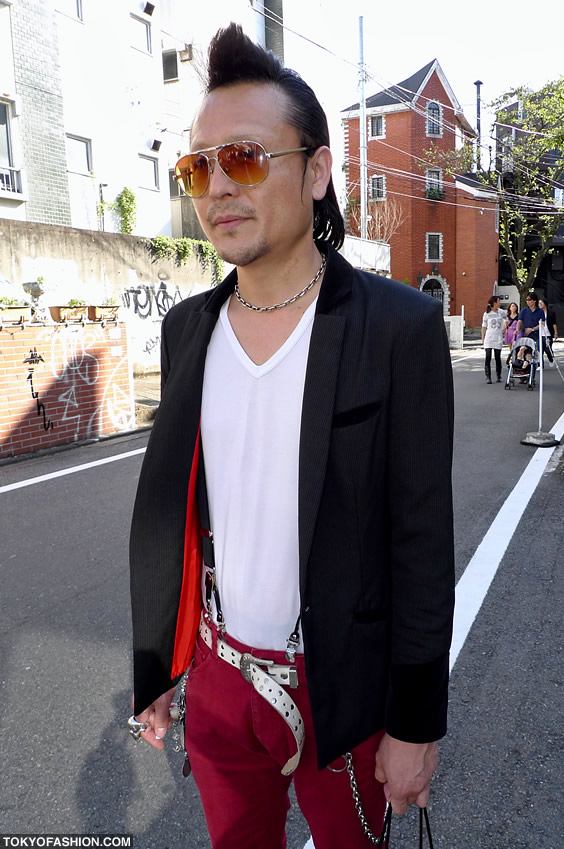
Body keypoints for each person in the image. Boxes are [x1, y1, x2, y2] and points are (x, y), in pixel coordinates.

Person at [129, 24, 454, 849]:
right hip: (220, 672)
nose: (215, 188)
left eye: (242, 158)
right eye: (197, 167)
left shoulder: (397, 327)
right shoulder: (187, 330)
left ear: (315, 171)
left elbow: (421, 539)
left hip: (343, 689)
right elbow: (180, 510)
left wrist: (415, 725)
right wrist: (159, 667)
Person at [481, 295, 506, 383]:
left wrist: (504, 328)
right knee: (488, 356)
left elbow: (506, 320)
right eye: (498, 301)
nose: (500, 303)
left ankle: (498, 375)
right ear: (494, 302)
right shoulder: (486, 313)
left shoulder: (501, 312)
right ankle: (488, 376)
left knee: (497, 357)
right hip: (489, 336)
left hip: (498, 336)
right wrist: (483, 338)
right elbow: (484, 326)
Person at [538, 297, 558, 366]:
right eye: (539, 303)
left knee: (547, 349)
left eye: (541, 303)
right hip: (540, 334)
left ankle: (551, 359)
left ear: (545, 304)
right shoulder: (538, 313)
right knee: (540, 350)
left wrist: (555, 333)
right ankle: (540, 365)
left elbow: (554, 323)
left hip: (548, 334)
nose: (539, 304)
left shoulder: (551, 313)